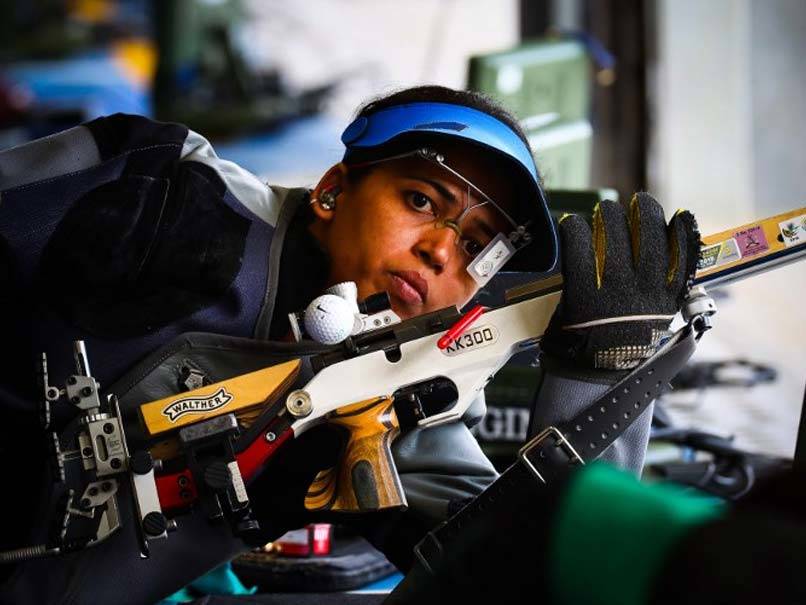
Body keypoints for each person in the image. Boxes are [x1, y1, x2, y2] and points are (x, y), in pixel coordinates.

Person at [0, 85, 699, 603]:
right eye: (422, 200)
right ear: (333, 189)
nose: (438, 250)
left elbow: (526, 579)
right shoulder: (158, 191)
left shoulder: (413, 407)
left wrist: (600, 379)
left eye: (476, 246)